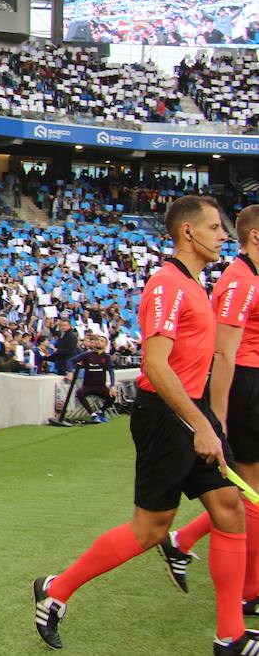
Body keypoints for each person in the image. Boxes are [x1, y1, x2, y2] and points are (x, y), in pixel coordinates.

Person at [33, 195, 259, 654]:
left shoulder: (195, 284)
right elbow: (156, 366)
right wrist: (201, 423)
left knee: (231, 508)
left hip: (192, 412)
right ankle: (56, 589)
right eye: (215, 228)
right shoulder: (166, 284)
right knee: (151, 528)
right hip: (167, 416)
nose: (223, 236)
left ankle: (231, 637)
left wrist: (207, 418)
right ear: (189, 233)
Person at [157, 204, 259, 608]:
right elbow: (224, 354)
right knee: (248, 494)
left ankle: (182, 540)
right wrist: (217, 415)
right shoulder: (239, 281)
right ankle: (249, 592)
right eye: (214, 227)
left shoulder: (249, 277)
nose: (220, 234)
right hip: (243, 388)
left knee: (243, 494)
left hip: (250, 383)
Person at [68, 329, 117, 422]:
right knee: (79, 393)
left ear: (105, 345)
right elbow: (70, 361)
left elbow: (111, 371)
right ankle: (93, 414)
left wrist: (112, 386)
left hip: (101, 386)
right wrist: (70, 371)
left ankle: (101, 412)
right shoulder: (87, 355)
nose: (99, 342)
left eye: (101, 341)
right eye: (98, 340)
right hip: (88, 386)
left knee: (113, 396)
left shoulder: (107, 357)